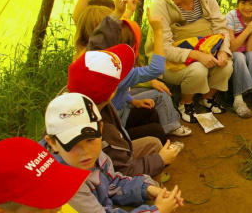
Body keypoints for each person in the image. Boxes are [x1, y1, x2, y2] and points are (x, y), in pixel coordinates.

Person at [44, 92, 183, 213]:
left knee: (149, 207)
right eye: (72, 143)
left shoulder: (92, 156)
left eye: (90, 139)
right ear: (52, 143)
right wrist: (156, 212)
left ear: (100, 129)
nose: (85, 152)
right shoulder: (65, 183)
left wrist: (146, 189)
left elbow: (113, 181)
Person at [67, 44, 182, 178]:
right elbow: (121, 172)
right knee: (154, 140)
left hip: (118, 153)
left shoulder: (85, 106)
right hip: (119, 181)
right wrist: (160, 159)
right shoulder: (106, 132)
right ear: (112, 93)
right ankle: (151, 183)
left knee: (151, 127)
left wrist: (132, 101)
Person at [145, 0, 233, 124]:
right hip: (168, 60)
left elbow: (221, 26)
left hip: (204, 48)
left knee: (226, 65)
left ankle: (206, 98)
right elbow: (163, 48)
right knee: (198, 70)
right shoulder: (161, 5)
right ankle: (185, 103)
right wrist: (196, 55)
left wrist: (222, 50)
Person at [89, 4, 192, 139]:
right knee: (158, 109)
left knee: (150, 111)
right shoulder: (120, 72)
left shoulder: (97, 60)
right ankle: (169, 129)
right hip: (115, 121)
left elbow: (120, 90)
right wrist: (158, 32)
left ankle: (168, 126)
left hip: (109, 113)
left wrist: (133, 101)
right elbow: (156, 69)